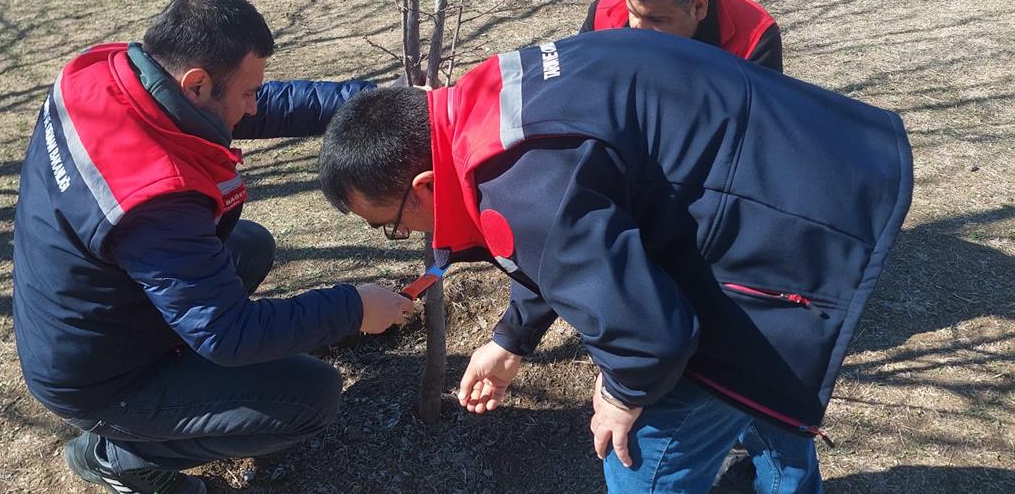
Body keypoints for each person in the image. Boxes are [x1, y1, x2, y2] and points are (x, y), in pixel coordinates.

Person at [318, 29, 912, 493]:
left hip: (781, 231)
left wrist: (622, 395)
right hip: (817, 164)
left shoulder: (515, 186)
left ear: (423, 185)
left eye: (390, 224)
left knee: (641, 456)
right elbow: (568, 231)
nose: (402, 233)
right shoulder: (488, 96)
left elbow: (652, 340)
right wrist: (511, 338)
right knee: (759, 375)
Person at [12, 0, 413, 493]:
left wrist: (373, 106)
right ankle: (118, 455)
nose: (253, 106)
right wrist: (353, 308)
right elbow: (227, 334)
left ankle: (178, 361)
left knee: (249, 245)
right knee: (312, 396)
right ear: (196, 84)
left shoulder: (103, 74)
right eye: (247, 92)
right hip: (99, 378)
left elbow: (253, 106)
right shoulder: (153, 199)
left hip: (85, 317)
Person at [581, 0, 783, 72]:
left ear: (699, 7)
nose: (638, 29)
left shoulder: (755, 37)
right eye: (632, 12)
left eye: (657, 20)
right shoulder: (602, 15)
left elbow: (760, 127)